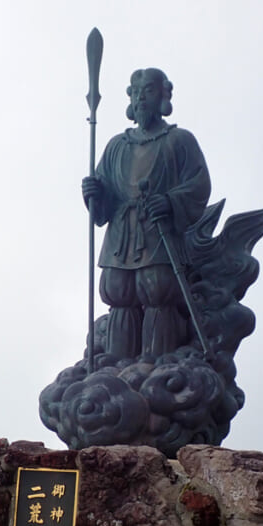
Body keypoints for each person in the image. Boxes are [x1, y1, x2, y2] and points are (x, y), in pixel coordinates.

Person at [82, 67, 211, 358]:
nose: (141, 98)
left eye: (149, 91)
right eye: (136, 91)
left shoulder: (178, 141)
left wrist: (170, 201)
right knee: (118, 291)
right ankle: (118, 367)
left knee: (156, 290)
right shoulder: (117, 146)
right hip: (121, 236)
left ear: (163, 95)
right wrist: (94, 194)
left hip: (157, 230)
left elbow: (199, 184)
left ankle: (156, 364)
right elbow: (104, 200)